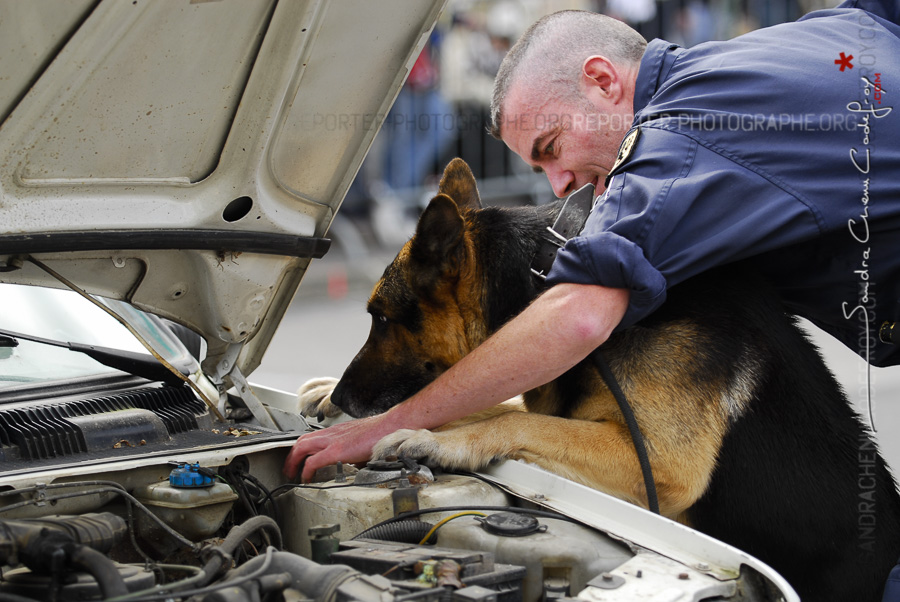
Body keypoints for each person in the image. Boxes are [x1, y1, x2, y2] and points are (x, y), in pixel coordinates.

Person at [285, 0, 900, 483]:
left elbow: (579, 316)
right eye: (539, 168)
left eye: (551, 147)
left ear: (603, 81)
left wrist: (387, 426)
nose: (560, 184)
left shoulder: (680, 143)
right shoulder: (806, 42)